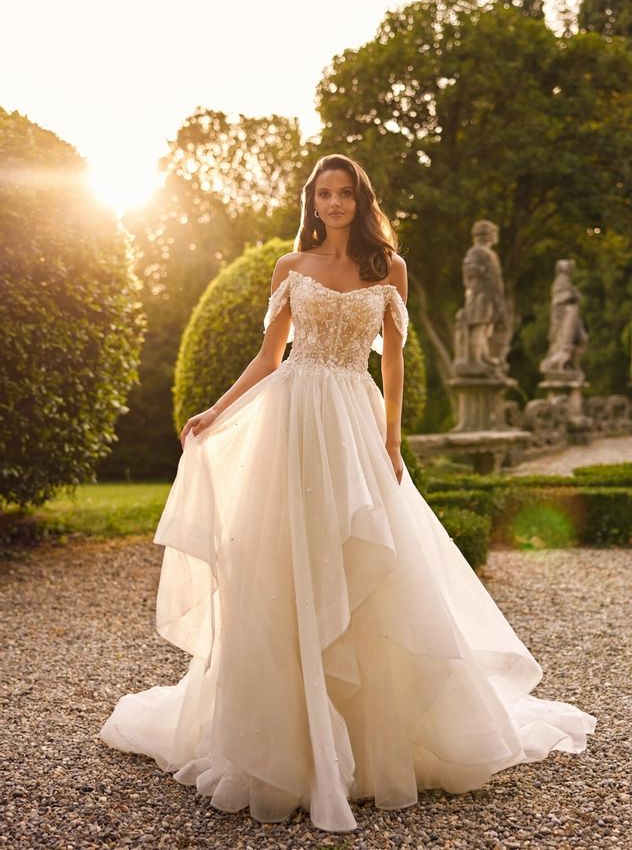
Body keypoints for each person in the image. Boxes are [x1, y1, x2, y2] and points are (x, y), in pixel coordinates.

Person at [99, 153, 597, 833]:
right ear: (313, 202)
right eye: (324, 194)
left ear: (361, 200)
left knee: (364, 558)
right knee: (284, 559)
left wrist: (391, 441)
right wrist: (216, 409)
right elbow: (269, 357)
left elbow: (392, 360)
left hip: (352, 423)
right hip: (293, 417)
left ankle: (369, 742)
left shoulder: (388, 268)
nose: (334, 203)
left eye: (344, 193)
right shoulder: (290, 268)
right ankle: (284, 739)